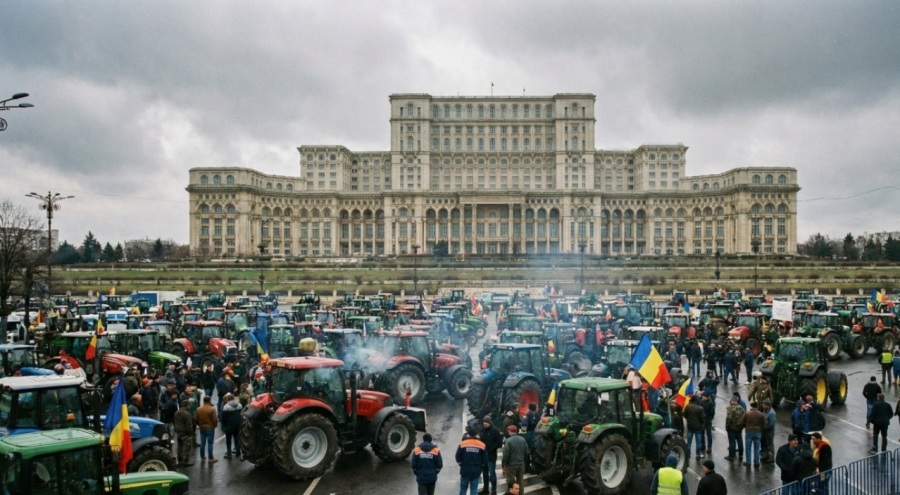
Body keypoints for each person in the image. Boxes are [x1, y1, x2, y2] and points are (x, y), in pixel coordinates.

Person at [456, 426, 487, 495]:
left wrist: (461, 464)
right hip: (476, 470)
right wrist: (481, 466)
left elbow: (457, 456)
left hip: (465, 469)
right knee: (474, 488)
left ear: (468, 434)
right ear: (476, 435)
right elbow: (485, 459)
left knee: (463, 488)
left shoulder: (463, 444)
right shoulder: (482, 445)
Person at [479, 416, 503, 495]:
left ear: (490, 422)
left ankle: (493, 490)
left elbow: (499, 443)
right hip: (483, 456)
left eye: (486, 422)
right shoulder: (482, 431)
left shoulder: (495, 431)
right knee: (485, 474)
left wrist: (491, 449)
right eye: (484, 422)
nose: (485, 423)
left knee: (492, 474)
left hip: (491, 456)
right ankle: (485, 489)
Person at [501, 425, 527, 494]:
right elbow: (527, 452)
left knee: (511, 482)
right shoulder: (522, 439)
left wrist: (503, 464)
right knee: (520, 481)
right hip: (521, 464)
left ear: (509, 431)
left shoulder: (508, 441)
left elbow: (506, 454)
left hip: (511, 465)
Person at [194, 395, 218, 463]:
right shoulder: (212, 409)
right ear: (209, 401)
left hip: (202, 427)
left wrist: (199, 424)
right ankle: (210, 458)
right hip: (210, 427)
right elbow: (215, 420)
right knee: (210, 443)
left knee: (202, 443)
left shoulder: (198, 409)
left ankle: (202, 457)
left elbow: (195, 419)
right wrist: (214, 426)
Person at [740, 401, 765, 468]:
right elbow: (764, 424)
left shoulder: (747, 413)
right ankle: (756, 462)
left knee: (748, 447)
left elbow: (742, 422)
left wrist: (746, 426)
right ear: (757, 406)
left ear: (751, 406)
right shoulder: (761, 414)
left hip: (749, 431)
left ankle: (748, 462)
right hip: (758, 432)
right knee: (757, 447)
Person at [220, 393, 243, 460]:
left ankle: (229, 454)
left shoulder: (226, 407)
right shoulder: (239, 405)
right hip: (238, 425)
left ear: (227, 399)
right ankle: (238, 452)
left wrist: (223, 426)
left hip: (229, 426)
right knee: (236, 439)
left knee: (228, 440)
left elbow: (223, 418)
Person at [173, 400, 195, 467]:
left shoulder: (176, 412)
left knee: (180, 446)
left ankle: (179, 459)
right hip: (185, 433)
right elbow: (189, 425)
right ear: (187, 405)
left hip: (179, 432)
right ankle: (185, 461)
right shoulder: (187, 414)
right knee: (187, 447)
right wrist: (191, 434)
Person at [724, 397, 745, 461]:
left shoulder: (730, 408)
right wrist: (742, 426)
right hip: (739, 427)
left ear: (731, 401)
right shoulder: (741, 408)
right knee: (740, 441)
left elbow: (728, 418)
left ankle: (731, 456)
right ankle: (741, 454)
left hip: (732, 427)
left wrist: (727, 427)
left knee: (732, 442)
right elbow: (744, 417)